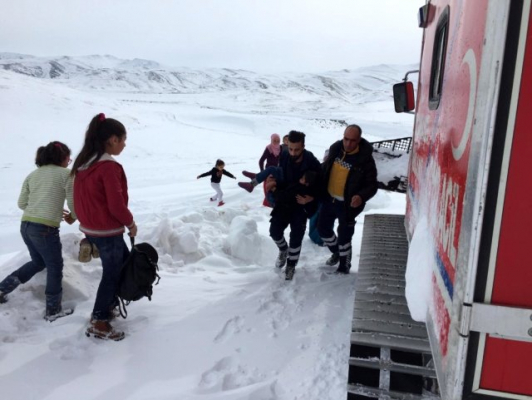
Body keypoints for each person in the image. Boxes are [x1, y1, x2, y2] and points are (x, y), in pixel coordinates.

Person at [71, 113, 136, 341]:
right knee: (113, 273)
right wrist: (130, 223)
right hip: (108, 230)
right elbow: (116, 204)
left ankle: (107, 307)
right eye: (122, 139)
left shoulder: (84, 164)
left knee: (120, 266)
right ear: (111, 139)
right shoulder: (107, 166)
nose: (124, 144)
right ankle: (99, 320)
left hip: (91, 228)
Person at [0, 141, 76, 321]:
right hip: (45, 228)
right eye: (68, 158)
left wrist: (40, 207)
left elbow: (21, 204)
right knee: (55, 266)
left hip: (26, 225)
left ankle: (3, 288)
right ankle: (53, 310)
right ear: (62, 158)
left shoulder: (32, 175)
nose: (69, 162)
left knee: (38, 262)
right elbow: (74, 203)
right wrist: (72, 216)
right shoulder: (67, 175)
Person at [318, 124, 378, 274]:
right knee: (323, 230)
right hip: (329, 199)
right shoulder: (335, 149)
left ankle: (344, 266)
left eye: (352, 140)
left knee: (345, 237)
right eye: (346, 139)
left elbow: (372, 185)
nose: (348, 143)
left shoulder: (365, 160)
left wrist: (361, 196)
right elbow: (325, 168)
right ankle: (337, 252)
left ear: (359, 140)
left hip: (347, 206)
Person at [267, 130, 321, 280]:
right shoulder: (284, 155)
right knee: (274, 231)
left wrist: (311, 198)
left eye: (297, 149)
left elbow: (322, 183)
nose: (293, 152)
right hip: (284, 201)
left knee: (296, 237)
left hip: (300, 203)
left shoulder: (311, 161)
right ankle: (283, 250)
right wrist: (272, 183)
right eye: (290, 148)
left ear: (303, 146)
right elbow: (279, 173)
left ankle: (291, 264)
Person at [258, 133, 281, 207]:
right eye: (274, 140)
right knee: (267, 188)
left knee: (273, 189)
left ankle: (269, 203)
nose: (276, 142)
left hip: (276, 172)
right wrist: (262, 172)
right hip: (268, 172)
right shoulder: (269, 148)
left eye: (278, 141)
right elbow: (261, 160)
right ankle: (266, 206)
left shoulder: (280, 148)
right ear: (271, 140)